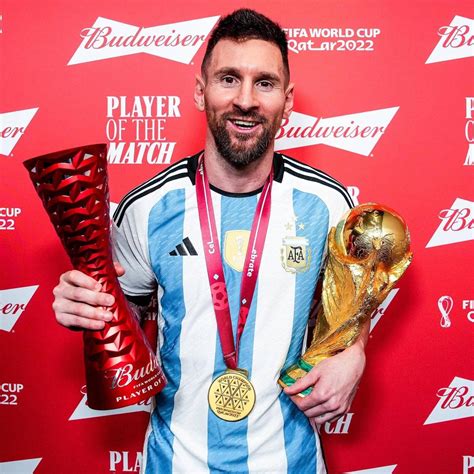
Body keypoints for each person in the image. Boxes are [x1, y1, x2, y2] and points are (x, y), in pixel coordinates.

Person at [52, 9, 368, 474]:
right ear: (201, 92)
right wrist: (88, 308)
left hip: (291, 462)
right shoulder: (147, 208)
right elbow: (126, 317)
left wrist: (356, 352)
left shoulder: (326, 204)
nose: (245, 99)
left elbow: (352, 306)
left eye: (264, 82)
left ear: (288, 99)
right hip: (175, 460)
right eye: (227, 79)